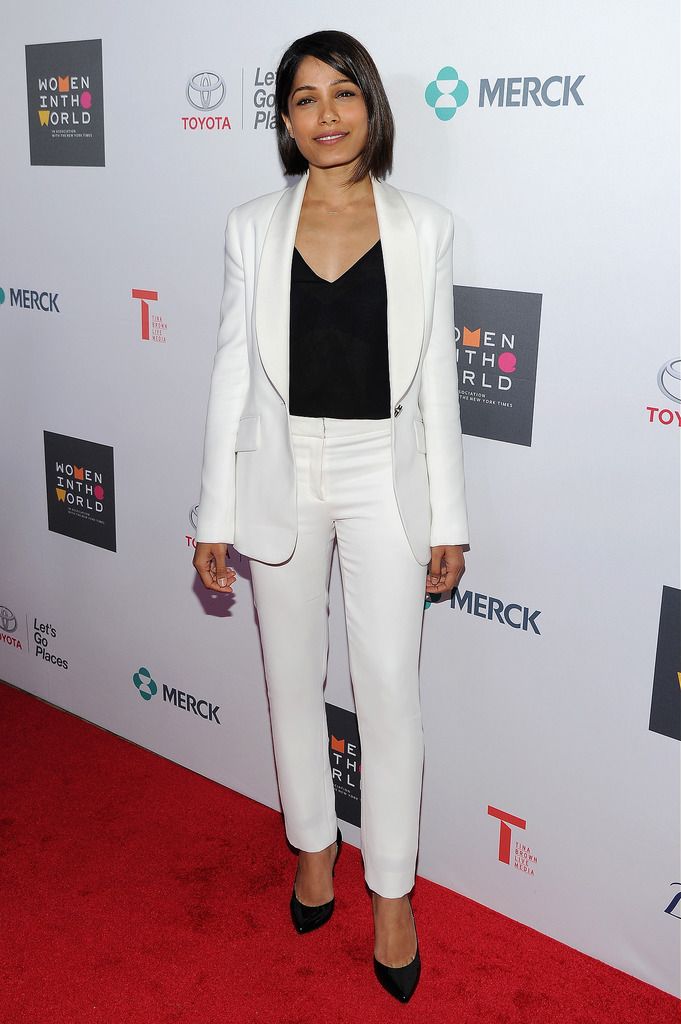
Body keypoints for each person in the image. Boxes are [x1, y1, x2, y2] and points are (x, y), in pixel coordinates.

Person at [192, 28, 469, 1003]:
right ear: (284, 120)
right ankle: (313, 844)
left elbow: (438, 384)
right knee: (288, 679)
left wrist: (450, 517)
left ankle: (391, 890)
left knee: (391, 687)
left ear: (372, 104)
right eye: (305, 99)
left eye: (343, 93)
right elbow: (232, 374)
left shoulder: (426, 225)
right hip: (280, 471)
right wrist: (212, 511)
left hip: (381, 472)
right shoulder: (248, 226)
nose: (327, 115)